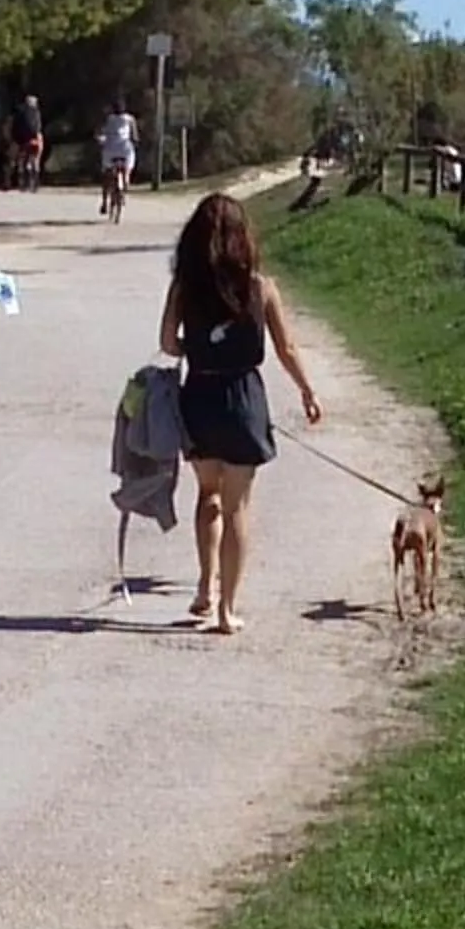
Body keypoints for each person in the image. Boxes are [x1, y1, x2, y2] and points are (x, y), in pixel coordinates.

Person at [157, 192, 322, 634]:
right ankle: (228, 610)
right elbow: (286, 347)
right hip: (244, 396)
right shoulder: (261, 288)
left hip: (199, 394)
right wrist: (307, 390)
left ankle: (204, 588)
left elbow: (169, 344)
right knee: (237, 508)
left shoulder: (185, 287)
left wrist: (199, 340)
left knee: (207, 495)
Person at [97, 99, 139, 222]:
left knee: (107, 175)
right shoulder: (130, 119)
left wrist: (101, 140)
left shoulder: (109, 119)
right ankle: (124, 188)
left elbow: (102, 133)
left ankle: (105, 201)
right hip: (126, 149)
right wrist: (135, 142)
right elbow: (135, 136)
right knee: (127, 172)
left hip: (110, 150)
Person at [8, 92, 45, 192]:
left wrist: (13, 138)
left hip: (21, 141)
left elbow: (13, 127)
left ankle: (22, 183)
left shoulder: (19, 111)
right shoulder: (36, 112)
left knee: (20, 161)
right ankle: (35, 184)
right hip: (36, 140)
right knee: (35, 161)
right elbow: (38, 128)